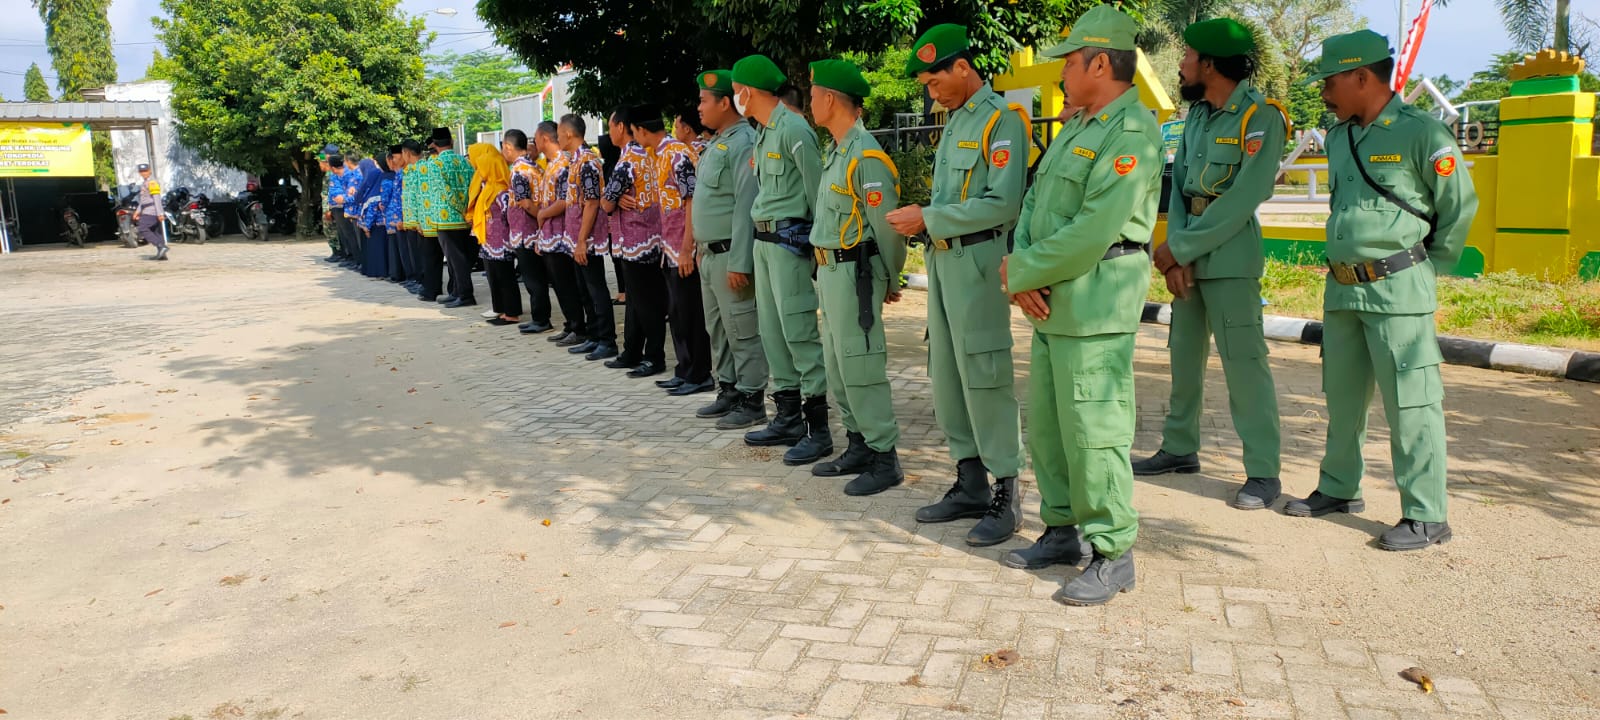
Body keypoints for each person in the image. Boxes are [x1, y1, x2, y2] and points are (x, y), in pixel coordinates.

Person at [1286, 30, 1477, 551]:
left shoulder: (1422, 133)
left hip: (1398, 290)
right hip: (1343, 290)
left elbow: (1458, 208)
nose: (1323, 91)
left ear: (1361, 77)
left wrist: (1420, 268)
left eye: (1329, 81)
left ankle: (1426, 513)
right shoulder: (1340, 137)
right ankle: (1339, 487)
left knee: (1411, 403)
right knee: (1342, 399)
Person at [1000, 5, 1161, 606]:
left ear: (1100, 62)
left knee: (1095, 431)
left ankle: (1113, 553)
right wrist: (1020, 273)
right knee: (1048, 427)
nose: (1062, 73)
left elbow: (1096, 228)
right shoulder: (1078, 125)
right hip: (1050, 302)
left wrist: (1021, 272)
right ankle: (1061, 529)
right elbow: (1037, 202)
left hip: (1095, 304)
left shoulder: (1131, 133)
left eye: (1069, 62)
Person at [1137, 18, 1289, 510]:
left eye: (1186, 57)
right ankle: (1180, 448)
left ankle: (1263, 472)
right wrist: (1176, 250)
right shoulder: (1199, 114)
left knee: (1245, 366)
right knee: (1183, 359)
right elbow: (1179, 185)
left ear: (1209, 64)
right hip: (1188, 253)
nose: (1179, 65)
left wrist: (1182, 250)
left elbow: (1246, 194)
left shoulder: (1261, 116)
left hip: (1229, 257)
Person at [891, 23, 1030, 547]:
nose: (931, 93)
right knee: (947, 376)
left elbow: (1002, 202)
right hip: (945, 264)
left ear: (962, 68)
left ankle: (1006, 493)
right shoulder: (953, 123)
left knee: (985, 375)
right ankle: (969, 482)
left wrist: (928, 217)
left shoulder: (1002, 121)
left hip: (976, 263)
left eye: (934, 81)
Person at [807, 59, 909, 496]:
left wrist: (889, 279)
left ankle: (885, 457)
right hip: (831, 273)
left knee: (861, 364)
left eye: (813, 95)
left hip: (855, 274)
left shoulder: (866, 156)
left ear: (830, 99)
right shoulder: (836, 151)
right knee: (837, 364)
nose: (809, 102)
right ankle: (859, 444)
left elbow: (887, 229)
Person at [731, 54, 830, 465]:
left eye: (736, 91)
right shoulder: (763, 131)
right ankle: (788, 417)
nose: (734, 97)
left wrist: (816, 252)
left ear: (747, 91)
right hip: (764, 243)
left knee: (799, 334)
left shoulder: (793, 129)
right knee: (773, 334)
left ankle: (819, 429)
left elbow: (817, 192)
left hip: (790, 243)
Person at [689, 68, 770, 429]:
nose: (699, 107)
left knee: (742, 328)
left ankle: (753, 399)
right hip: (710, 255)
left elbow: (745, 205)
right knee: (717, 328)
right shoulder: (717, 142)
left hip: (729, 255)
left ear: (725, 102)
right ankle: (729, 391)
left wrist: (741, 260)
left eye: (705, 100)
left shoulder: (743, 143)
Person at [639, 106, 715, 396]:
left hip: (682, 246)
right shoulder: (660, 155)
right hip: (669, 246)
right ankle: (685, 369)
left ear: (641, 130)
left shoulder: (677, 155)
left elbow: (691, 199)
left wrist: (687, 248)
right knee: (677, 310)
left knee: (690, 311)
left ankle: (699, 373)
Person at [601, 106, 671, 378]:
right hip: (653, 236)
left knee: (645, 302)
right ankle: (632, 351)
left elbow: (606, 203)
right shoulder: (651, 154)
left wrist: (615, 199)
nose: (609, 132)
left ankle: (654, 357)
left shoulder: (628, 161)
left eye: (610, 126)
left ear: (621, 127)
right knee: (639, 299)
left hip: (634, 239)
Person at [558, 114, 620, 361]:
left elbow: (592, 203)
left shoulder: (588, 162)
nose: (558, 137)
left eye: (560, 132)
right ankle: (594, 336)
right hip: (577, 237)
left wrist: (583, 240)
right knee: (584, 289)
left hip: (588, 238)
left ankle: (607, 340)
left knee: (596, 289)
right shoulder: (575, 161)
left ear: (570, 134)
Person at [533, 121, 590, 348]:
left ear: (545, 138)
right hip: (549, 233)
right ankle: (570, 324)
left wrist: (543, 213)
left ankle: (579, 326)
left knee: (567, 283)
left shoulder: (564, 163)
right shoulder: (552, 164)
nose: (535, 142)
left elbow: (566, 201)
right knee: (558, 283)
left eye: (536, 137)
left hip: (562, 233)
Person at [504, 129, 555, 334]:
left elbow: (525, 203)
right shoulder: (535, 167)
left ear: (508, 147)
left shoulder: (518, 171)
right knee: (539, 278)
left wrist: (539, 216)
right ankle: (541, 317)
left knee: (533, 279)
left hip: (526, 232)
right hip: (536, 231)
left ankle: (541, 319)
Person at [467, 142, 522, 325]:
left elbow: (510, 216)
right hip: (490, 240)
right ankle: (503, 309)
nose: (480, 171)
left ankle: (512, 313)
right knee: (496, 276)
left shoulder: (501, 191)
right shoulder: (489, 188)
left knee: (505, 276)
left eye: (483, 167)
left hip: (501, 241)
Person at [428, 127, 477, 308]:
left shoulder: (435, 164)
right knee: (460, 258)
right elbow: (473, 187)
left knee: (456, 260)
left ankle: (465, 295)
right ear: (452, 142)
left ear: (434, 144)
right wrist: (467, 209)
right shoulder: (465, 162)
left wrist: (459, 208)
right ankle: (456, 291)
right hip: (467, 218)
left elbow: (446, 191)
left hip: (447, 219)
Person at [405, 140, 447, 302]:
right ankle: (431, 288)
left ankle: (432, 290)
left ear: (407, 153)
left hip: (428, 219)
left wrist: (418, 221)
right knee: (430, 257)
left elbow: (419, 196)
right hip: (430, 218)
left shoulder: (421, 169)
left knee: (431, 257)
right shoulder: (419, 168)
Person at [353, 155, 390, 279]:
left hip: (375, 226)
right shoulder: (378, 188)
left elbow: (371, 212)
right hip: (382, 225)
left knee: (376, 250)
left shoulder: (372, 194)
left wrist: (366, 227)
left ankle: (377, 272)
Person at [382, 145, 411, 285]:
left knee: (408, 250)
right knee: (403, 250)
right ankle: (409, 277)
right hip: (396, 216)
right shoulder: (399, 173)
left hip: (404, 216)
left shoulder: (405, 172)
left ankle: (412, 277)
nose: (393, 160)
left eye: (395, 157)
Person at [132, 163, 168, 261]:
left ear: (150, 171)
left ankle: (161, 246)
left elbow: (157, 199)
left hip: (151, 210)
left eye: (145, 171)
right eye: (141, 171)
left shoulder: (152, 182)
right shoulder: (145, 183)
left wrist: (160, 213)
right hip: (147, 209)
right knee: (156, 231)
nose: (144, 173)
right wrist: (137, 211)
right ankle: (162, 255)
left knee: (142, 227)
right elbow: (143, 200)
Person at [341, 153, 366, 271]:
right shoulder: (353, 174)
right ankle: (358, 261)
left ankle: (362, 262)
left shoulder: (358, 174)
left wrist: (345, 198)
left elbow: (356, 194)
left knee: (359, 238)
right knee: (355, 237)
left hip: (356, 210)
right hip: (352, 210)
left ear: (348, 161)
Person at [325, 154, 349, 263]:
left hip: (342, 206)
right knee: (342, 234)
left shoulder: (345, 173)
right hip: (335, 206)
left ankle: (351, 257)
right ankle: (345, 256)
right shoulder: (334, 174)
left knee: (347, 234)